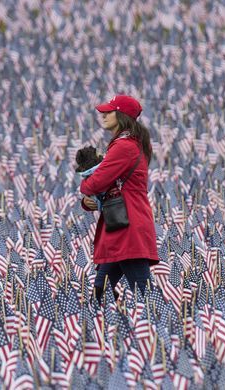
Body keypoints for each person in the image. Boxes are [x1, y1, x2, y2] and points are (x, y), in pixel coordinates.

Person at [79, 95, 159, 304]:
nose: (103, 115)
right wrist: (91, 201)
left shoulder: (124, 147)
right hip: (123, 225)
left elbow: (95, 183)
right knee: (100, 291)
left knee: (145, 294)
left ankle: (162, 330)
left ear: (122, 116)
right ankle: (109, 330)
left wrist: (85, 186)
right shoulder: (130, 144)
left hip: (127, 228)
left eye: (109, 111)